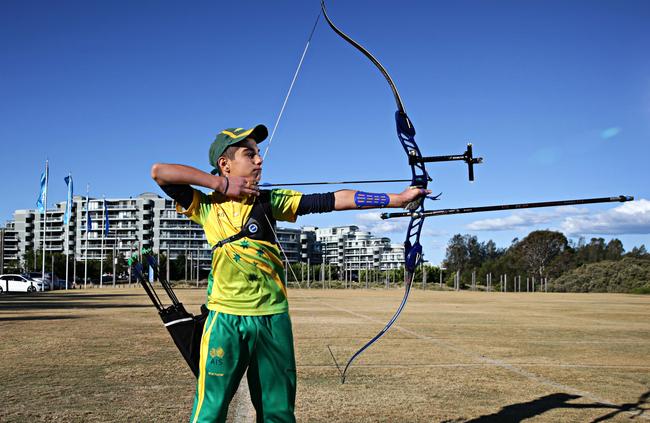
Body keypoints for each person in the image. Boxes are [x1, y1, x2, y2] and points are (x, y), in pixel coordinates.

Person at [150, 124, 430, 423]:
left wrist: (397, 199)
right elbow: (160, 172)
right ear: (225, 163)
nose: (259, 160)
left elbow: (332, 200)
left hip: (273, 319)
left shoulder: (271, 201)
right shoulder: (204, 206)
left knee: (278, 412)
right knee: (211, 409)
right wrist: (220, 185)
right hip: (225, 319)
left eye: (258, 154)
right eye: (250, 154)